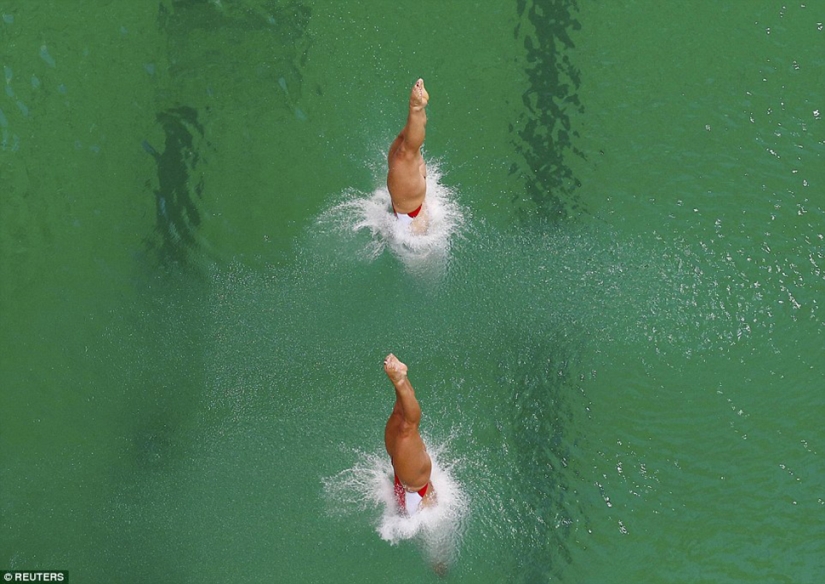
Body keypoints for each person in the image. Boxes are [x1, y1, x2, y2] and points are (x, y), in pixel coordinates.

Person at [383, 353, 436, 515]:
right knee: (407, 427)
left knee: (401, 419)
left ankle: (399, 380)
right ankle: (399, 379)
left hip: (410, 484)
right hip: (411, 486)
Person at [387, 79, 430, 234]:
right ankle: (417, 108)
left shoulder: (415, 246)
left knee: (404, 150)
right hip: (412, 209)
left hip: (410, 216)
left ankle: (417, 108)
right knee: (405, 151)